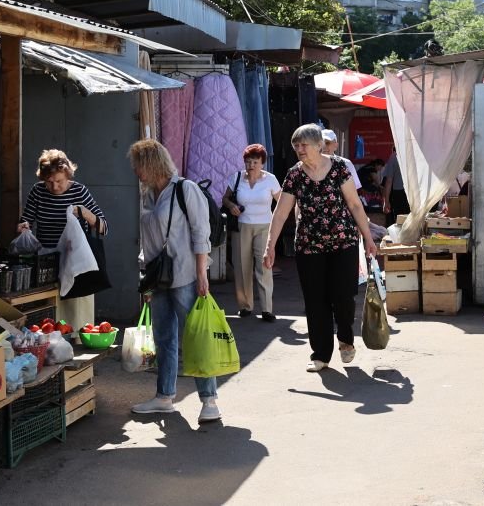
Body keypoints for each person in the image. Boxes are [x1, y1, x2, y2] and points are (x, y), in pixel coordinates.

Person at [264, 124, 377, 373]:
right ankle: (321, 354)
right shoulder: (294, 175)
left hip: (343, 242)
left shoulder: (339, 168)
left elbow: (354, 205)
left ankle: (346, 339)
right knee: (315, 301)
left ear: (318, 145)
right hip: (309, 246)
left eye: (304, 145)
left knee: (344, 296)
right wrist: (270, 246)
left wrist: (368, 238)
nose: (299, 150)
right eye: (296, 146)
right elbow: (281, 213)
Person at [128, 139, 220, 424]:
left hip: (185, 274)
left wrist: (202, 273)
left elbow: (201, 231)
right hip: (158, 276)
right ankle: (164, 396)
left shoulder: (185, 189)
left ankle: (209, 400)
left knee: (195, 338)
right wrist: (145, 275)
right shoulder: (148, 195)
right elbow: (147, 239)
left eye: (138, 165)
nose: (135, 171)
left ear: (152, 163)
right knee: (163, 337)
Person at [222, 144, 282, 321]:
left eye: (255, 162)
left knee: (264, 266)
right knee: (242, 267)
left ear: (262, 163)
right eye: (248, 162)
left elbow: (282, 202)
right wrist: (231, 206)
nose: (251, 165)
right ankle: (245, 306)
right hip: (242, 226)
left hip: (264, 226)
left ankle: (267, 309)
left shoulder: (271, 179)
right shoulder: (236, 177)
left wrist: (278, 223)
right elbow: (225, 198)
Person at [16, 149, 106, 249]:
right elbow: (26, 221)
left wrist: (85, 213)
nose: (54, 187)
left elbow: (104, 228)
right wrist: (24, 227)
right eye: (49, 182)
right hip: (45, 255)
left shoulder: (80, 191)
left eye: (59, 181)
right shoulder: (38, 191)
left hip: (75, 255)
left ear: (68, 176)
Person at [382, 149, 410, 226]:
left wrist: (386, 201)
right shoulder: (416, 154)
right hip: (414, 192)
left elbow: (389, 181)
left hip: (399, 193)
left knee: (401, 220)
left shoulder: (394, 157)